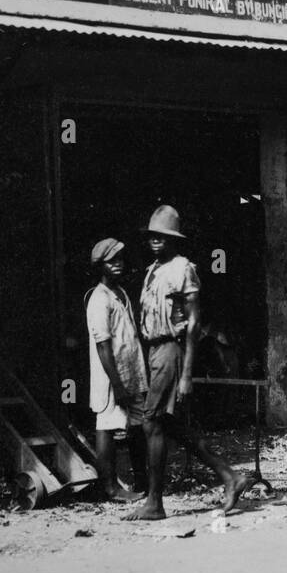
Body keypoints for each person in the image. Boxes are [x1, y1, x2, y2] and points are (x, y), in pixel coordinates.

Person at [124, 205, 255, 521]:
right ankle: (230, 476)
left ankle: (155, 502)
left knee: (151, 422)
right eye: (153, 236)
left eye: (163, 237)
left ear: (174, 239)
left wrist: (186, 374)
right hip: (155, 351)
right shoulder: (152, 270)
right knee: (171, 426)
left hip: (173, 349)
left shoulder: (184, 269)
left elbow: (195, 323)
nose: (156, 241)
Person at [85, 238, 148, 501]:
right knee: (107, 427)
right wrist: (118, 384)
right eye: (112, 261)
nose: (118, 265)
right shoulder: (99, 299)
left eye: (120, 260)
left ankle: (143, 481)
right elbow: (102, 347)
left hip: (132, 372)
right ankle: (110, 488)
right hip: (112, 378)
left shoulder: (119, 294)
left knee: (137, 426)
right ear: (101, 266)